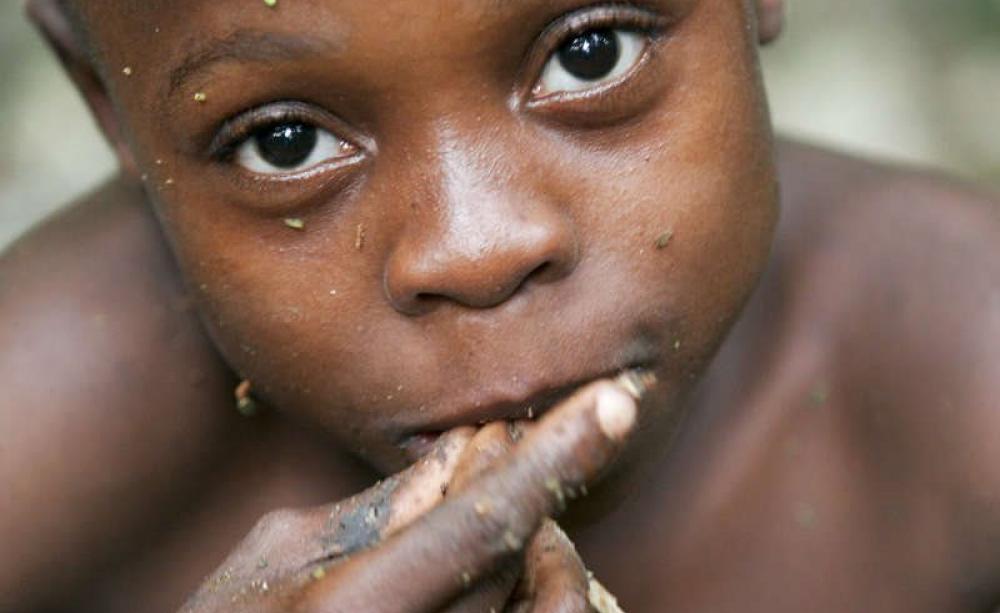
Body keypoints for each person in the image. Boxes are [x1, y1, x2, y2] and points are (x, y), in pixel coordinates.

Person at [2, 0, 999, 610]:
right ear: (102, 94)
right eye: (286, 143)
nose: (475, 249)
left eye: (591, 52)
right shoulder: (41, 434)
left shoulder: (968, 381)